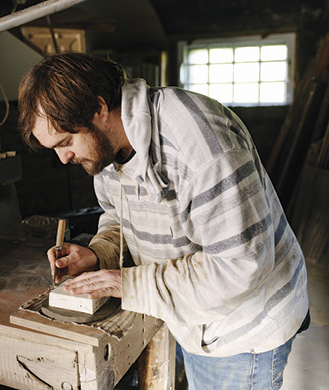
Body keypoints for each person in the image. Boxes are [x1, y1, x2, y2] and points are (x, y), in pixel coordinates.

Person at [18, 52, 309, 390]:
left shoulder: (198, 141)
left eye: (66, 142)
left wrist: (128, 284)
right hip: (186, 312)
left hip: (241, 328)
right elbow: (118, 216)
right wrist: (99, 254)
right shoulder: (106, 150)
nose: (64, 158)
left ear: (99, 109)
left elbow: (240, 265)